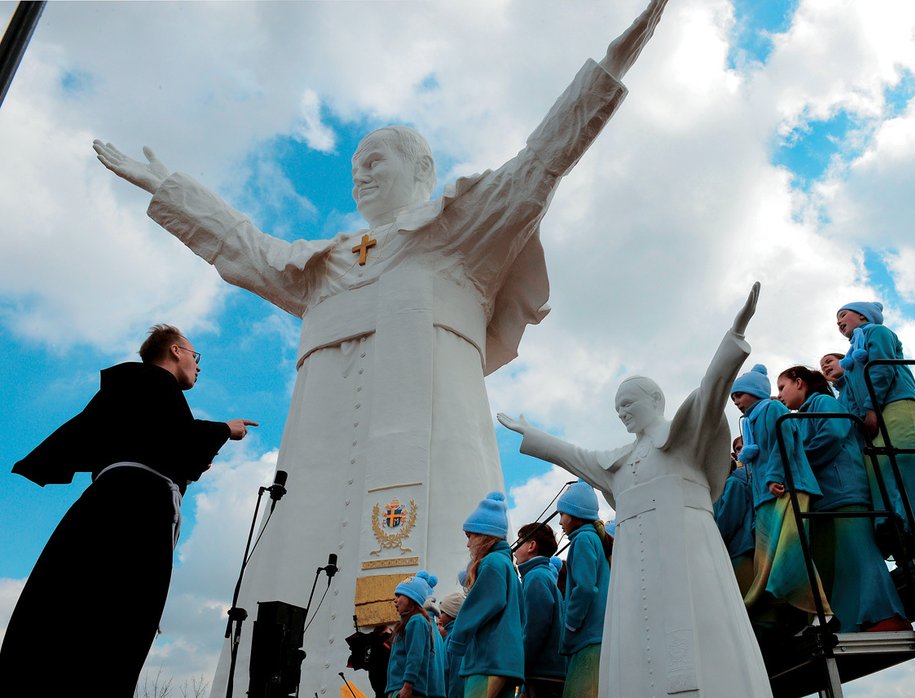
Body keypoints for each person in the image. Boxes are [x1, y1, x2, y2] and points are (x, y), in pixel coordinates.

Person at [91, 2, 672, 687]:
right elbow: (245, 247)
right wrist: (173, 191)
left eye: (374, 161)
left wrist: (607, 69)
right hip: (316, 461)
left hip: (432, 451)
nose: (360, 176)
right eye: (354, 168)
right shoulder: (325, 265)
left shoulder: (458, 237)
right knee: (285, 610)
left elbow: (537, 165)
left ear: (421, 168)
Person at [498, 283, 772, 697]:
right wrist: (532, 433)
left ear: (656, 400)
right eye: (618, 409)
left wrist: (734, 336)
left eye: (630, 403)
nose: (624, 413)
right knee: (635, 647)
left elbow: (712, 389)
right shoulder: (619, 464)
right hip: (634, 574)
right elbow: (573, 455)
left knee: (703, 639)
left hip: (688, 557)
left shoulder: (683, 441)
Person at [0, 324, 255, 697]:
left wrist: (187, 460)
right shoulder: (150, 383)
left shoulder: (127, 392)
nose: (198, 367)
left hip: (113, 506)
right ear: (175, 351)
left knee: (71, 610)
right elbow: (176, 438)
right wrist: (224, 430)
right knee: (118, 618)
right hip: (133, 513)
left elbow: (157, 441)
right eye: (195, 356)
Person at [776, 366, 909, 633]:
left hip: (844, 488)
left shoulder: (823, 402)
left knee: (859, 552)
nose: (779, 395)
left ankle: (886, 615)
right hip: (826, 496)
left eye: (782, 387)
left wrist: (798, 466)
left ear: (799, 383)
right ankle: (852, 622)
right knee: (842, 565)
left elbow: (832, 434)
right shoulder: (801, 416)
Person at [835, 301, 915, 558]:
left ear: (861, 315)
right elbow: (850, 398)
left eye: (842, 314)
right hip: (876, 409)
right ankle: (905, 530)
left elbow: (881, 367)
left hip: (896, 401)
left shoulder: (877, 333)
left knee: (897, 460)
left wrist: (871, 407)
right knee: (879, 464)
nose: (838, 321)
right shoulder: (850, 358)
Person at [731, 363, 830, 632]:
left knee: (791, 552)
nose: (736, 401)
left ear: (754, 391)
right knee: (770, 561)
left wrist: (776, 476)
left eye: (739, 394)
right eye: (733, 398)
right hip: (767, 496)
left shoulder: (772, 408)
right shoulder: (750, 421)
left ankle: (823, 613)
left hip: (787, 487)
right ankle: (800, 616)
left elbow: (781, 442)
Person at [448, 492, 525, 697]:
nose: (468, 544)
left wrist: (457, 640)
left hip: (488, 659)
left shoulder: (492, 563)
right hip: (506, 661)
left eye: (470, 536)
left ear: (482, 535)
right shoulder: (507, 565)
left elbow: (480, 606)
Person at [552, 482, 609, 698]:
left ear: (575, 514)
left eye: (563, 514)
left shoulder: (583, 540)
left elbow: (585, 588)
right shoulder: (591, 538)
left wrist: (571, 623)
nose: (560, 521)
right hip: (593, 636)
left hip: (588, 638)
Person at [513, 522, 566, 697]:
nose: (514, 550)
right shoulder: (544, 576)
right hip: (550, 672)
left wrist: (519, 665)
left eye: (520, 542)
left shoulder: (536, 577)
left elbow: (535, 627)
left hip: (543, 674)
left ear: (532, 546)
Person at [387, 571, 447, 698]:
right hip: (400, 688)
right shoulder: (409, 621)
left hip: (407, 690)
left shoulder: (416, 621)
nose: (395, 600)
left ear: (411, 598)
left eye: (399, 595)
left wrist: (408, 685)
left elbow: (415, 656)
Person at [713, 435, 754, 597]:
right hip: (730, 549)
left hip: (739, 548)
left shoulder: (733, 483)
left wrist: (711, 540)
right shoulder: (719, 487)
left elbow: (728, 519)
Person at [438, 592, 466, 698]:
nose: (439, 616)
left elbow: (456, 676)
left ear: (450, 614)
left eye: (442, 612)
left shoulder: (455, 637)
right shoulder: (450, 636)